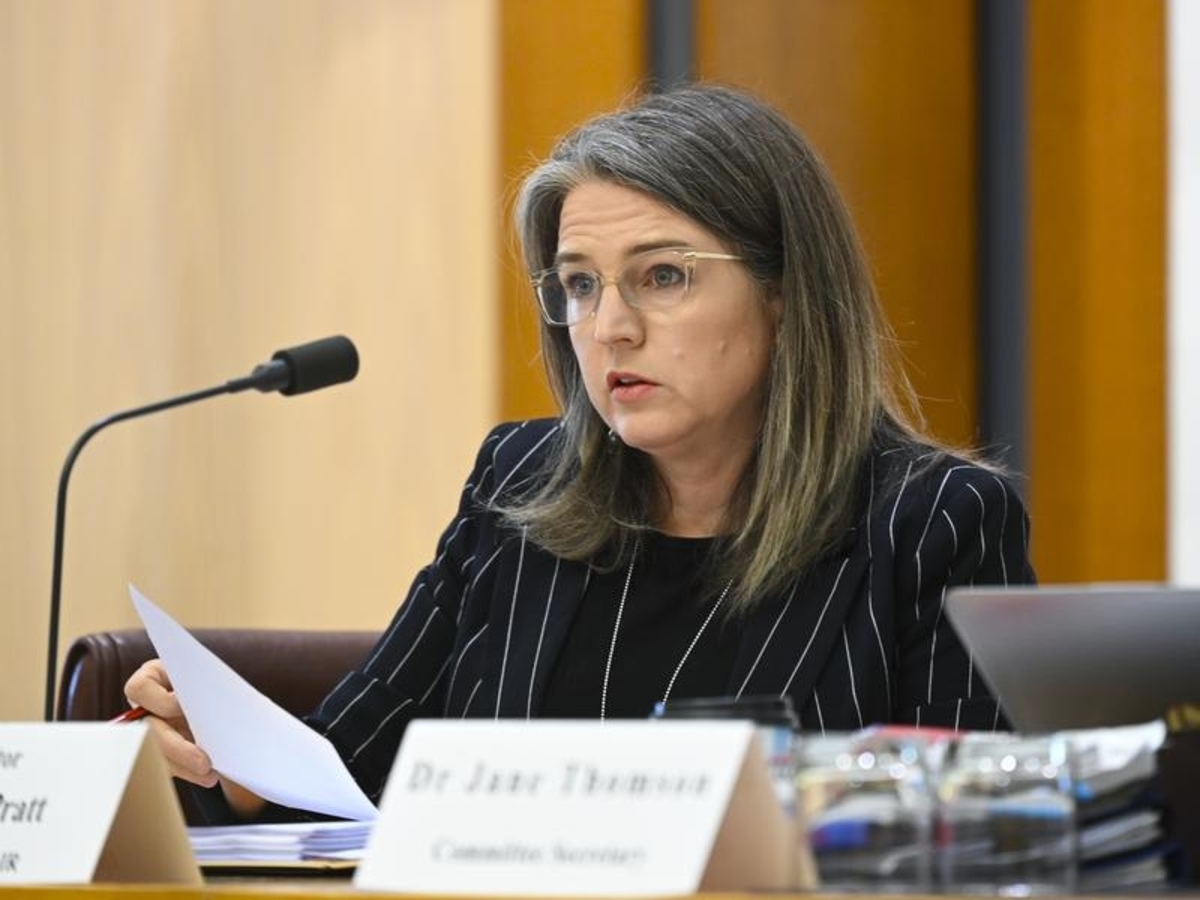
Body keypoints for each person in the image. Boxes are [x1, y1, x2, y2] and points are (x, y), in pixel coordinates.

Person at [125, 84, 1034, 819]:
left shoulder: (932, 522)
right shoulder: (519, 487)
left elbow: (977, 838)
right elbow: (343, 770)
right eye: (579, 285)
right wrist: (223, 756)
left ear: (786, 292)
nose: (609, 328)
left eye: (663, 276)